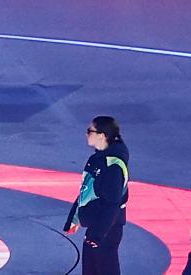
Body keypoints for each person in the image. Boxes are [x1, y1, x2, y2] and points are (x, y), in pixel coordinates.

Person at [64, 116, 130, 275]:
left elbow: (112, 203)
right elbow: (87, 190)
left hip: (106, 229)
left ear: (102, 135)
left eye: (90, 131)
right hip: (98, 227)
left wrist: (97, 234)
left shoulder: (112, 165)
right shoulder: (100, 159)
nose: (87, 135)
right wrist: (76, 218)